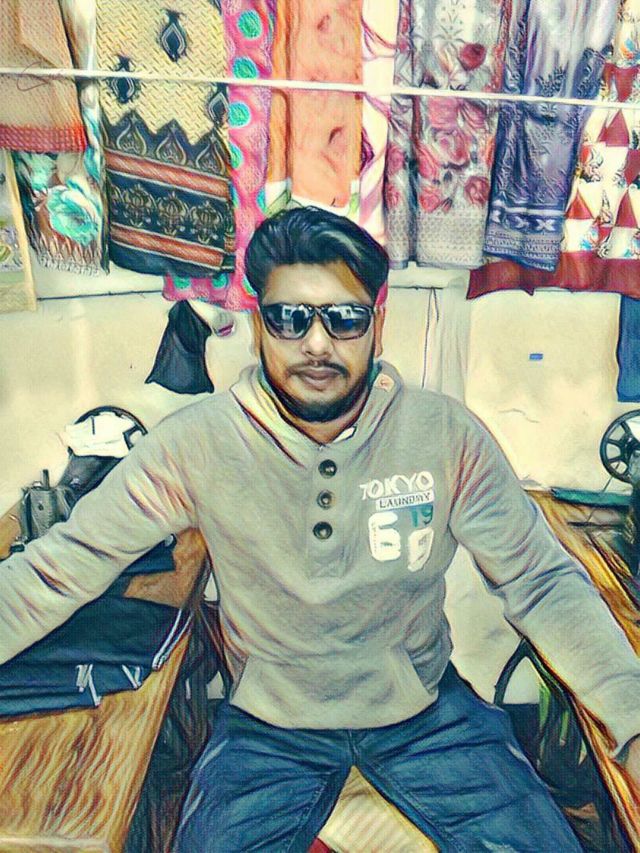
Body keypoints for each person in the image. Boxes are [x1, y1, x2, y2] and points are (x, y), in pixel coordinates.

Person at [1, 207, 639, 852]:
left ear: (378, 325)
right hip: (267, 730)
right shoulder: (196, 445)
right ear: (259, 326)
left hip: (427, 715)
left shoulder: (446, 436)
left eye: (344, 318)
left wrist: (633, 722)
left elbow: (541, 582)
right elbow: (64, 564)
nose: (316, 343)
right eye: (289, 317)